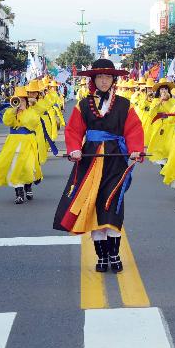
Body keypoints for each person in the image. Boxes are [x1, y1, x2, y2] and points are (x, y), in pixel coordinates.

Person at [54, 59, 144, 274]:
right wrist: (75, 148)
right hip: (90, 159)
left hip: (115, 159)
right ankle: (102, 256)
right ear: (94, 80)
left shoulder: (124, 104)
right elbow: (74, 131)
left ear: (114, 80)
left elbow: (133, 129)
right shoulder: (83, 104)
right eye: (100, 77)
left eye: (108, 77)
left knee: (112, 204)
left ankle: (114, 254)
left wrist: (135, 148)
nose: (104, 81)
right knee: (93, 205)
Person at [0, 86, 42, 204]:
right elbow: (6, 121)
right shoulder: (11, 111)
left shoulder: (32, 111)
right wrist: (14, 110)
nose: (20, 101)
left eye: (22, 99)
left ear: (26, 100)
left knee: (28, 167)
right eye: (17, 99)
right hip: (14, 142)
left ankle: (28, 186)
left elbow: (31, 123)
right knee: (14, 167)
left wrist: (24, 110)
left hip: (28, 141)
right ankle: (19, 193)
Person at [146, 78, 175, 167]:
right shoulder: (155, 101)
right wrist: (160, 101)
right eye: (161, 89)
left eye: (165, 89)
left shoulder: (173, 101)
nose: (163, 91)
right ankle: (162, 165)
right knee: (160, 146)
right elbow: (151, 113)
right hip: (159, 126)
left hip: (170, 126)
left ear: (168, 90)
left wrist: (167, 101)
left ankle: (169, 163)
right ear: (158, 91)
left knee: (170, 146)